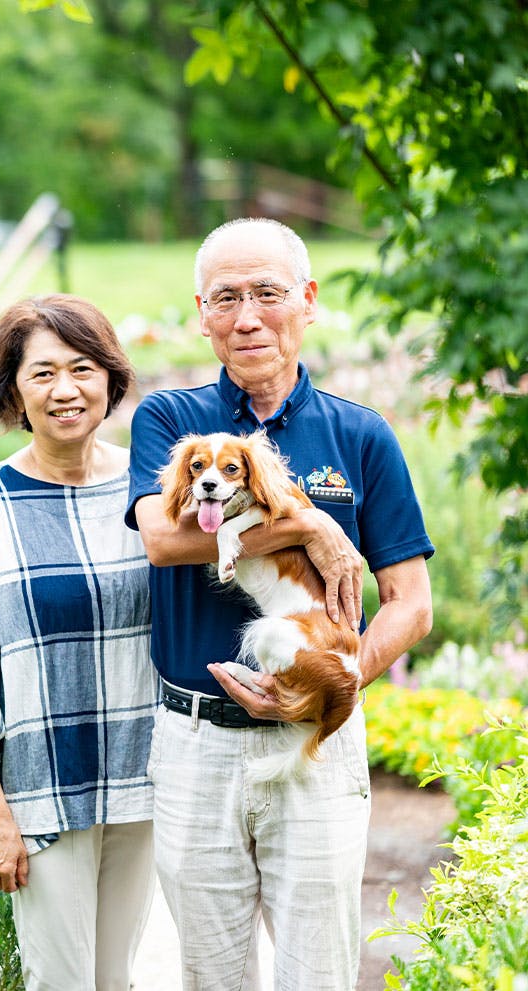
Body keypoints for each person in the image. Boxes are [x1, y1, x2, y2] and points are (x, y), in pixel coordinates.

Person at [126, 217, 435, 990]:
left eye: (267, 293)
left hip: (318, 745)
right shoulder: (170, 421)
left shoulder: (362, 435)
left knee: (319, 972)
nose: (248, 316)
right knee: (211, 975)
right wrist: (310, 523)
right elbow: (164, 539)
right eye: (226, 297)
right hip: (198, 743)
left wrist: (325, 685)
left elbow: (410, 604)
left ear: (308, 300)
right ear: (202, 312)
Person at [0, 294, 157, 991]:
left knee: (115, 978)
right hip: (38, 791)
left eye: (83, 368)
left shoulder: (149, 488)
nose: (66, 390)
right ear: (15, 392)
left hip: (143, 783)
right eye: (43, 374)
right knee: (60, 982)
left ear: (111, 379)